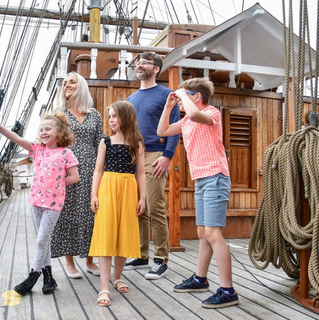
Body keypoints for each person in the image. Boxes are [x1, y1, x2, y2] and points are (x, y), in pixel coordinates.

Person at [157, 77, 239, 309]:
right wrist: (169, 105)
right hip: (201, 179)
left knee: (213, 233)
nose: (181, 100)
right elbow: (161, 130)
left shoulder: (212, 113)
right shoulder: (186, 121)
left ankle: (228, 290)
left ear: (197, 97)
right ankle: (200, 279)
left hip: (216, 176)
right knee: (203, 232)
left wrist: (182, 94)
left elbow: (194, 114)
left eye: (186, 96)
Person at [0, 112, 79, 295]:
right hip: (36, 201)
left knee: (41, 239)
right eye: (41, 129)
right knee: (43, 240)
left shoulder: (66, 153)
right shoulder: (37, 150)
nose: (43, 132)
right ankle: (49, 278)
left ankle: (33, 276)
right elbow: (17, 138)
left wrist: (56, 183)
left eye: (48, 129)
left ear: (60, 132)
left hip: (54, 203)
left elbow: (75, 177)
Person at [125, 52, 180, 280]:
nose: (140, 65)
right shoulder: (131, 99)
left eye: (145, 63)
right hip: (133, 155)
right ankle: (141, 254)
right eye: (139, 62)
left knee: (155, 206)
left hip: (156, 153)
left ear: (156, 68)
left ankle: (161, 259)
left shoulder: (167, 95)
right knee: (139, 208)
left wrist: (167, 156)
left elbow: (176, 127)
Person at [88, 101, 146, 307]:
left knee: (124, 235)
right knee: (106, 235)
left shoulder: (137, 142)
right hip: (108, 189)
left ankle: (117, 276)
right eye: (110, 116)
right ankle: (104, 287)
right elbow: (98, 170)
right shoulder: (105, 142)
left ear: (126, 117)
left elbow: (140, 172)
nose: (111, 120)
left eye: (115, 116)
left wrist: (142, 197)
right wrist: (94, 195)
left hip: (129, 190)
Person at [50, 72, 103, 278]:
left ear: (81, 86)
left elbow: (100, 142)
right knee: (68, 213)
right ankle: (70, 263)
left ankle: (90, 260)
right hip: (69, 168)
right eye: (64, 83)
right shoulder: (59, 113)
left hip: (92, 168)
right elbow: (54, 142)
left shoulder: (94, 114)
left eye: (72, 82)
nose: (67, 86)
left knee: (91, 213)